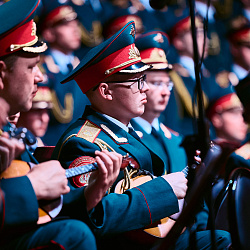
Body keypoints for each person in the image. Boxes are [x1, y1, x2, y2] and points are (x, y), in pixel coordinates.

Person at [52, 20, 231, 249]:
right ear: (106, 91)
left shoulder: (122, 132)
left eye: (144, 80)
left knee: (222, 236)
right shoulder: (83, 143)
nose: (145, 88)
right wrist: (165, 189)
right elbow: (97, 216)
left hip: (152, 235)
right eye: (136, 81)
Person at [0, 0, 123, 249]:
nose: (41, 76)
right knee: (74, 235)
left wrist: (90, 195)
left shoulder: (8, 131)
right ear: (2, 73)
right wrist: (30, 187)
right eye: (32, 67)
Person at [160, 8, 230, 137]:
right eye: (197, 34)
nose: (205, 40)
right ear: (178, 41)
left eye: (204, 34)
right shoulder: (174, 77)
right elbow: (173, 125)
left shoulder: (210, 75)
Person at [131, 30, 187, 175]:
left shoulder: (175, 140)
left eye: (167, 84)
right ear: (139, 85)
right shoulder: (127, 138)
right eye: (156, 83)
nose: (165, 92)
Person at [38, 2, 90, 145]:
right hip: (50, 145)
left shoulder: (83, 67)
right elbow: (60, 114)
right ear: (49, 33)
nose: (75, 30)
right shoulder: (40, 68)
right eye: (66, 26)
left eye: (76, 25)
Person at [16, 84, 53, 151]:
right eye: (37, 111)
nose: (45, 119)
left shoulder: (42, 146)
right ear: (22, 111)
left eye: (47, 111)